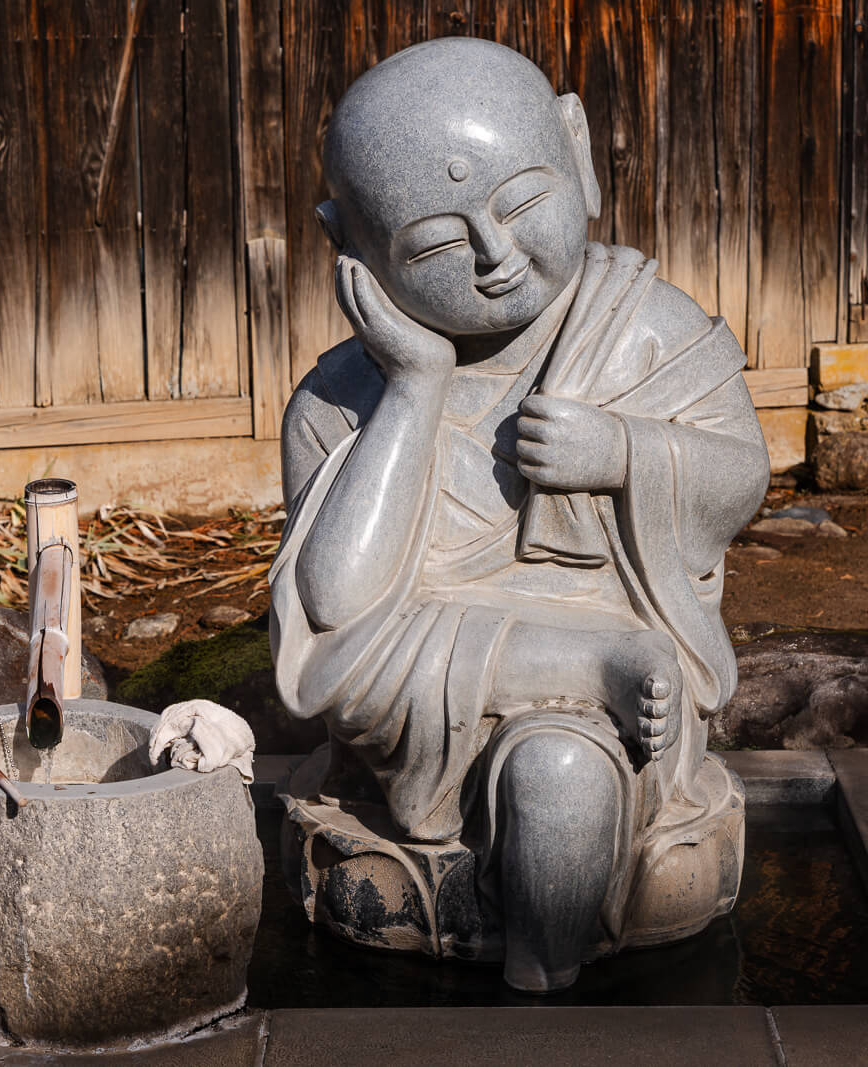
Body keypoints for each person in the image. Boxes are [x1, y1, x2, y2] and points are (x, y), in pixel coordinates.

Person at [269, 36, 769, 992]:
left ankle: (544, 1006)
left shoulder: (646, 331)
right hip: (414, 695)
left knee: (560, 781)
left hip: (609, 676)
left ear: (577, 149)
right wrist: (415, 385)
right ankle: (588, 665)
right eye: (437, 245)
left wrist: (620, 451)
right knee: (339, 661)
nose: (495, 256)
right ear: (351, 246)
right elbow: (335, 613)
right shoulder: (339, 401)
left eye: (522, 202)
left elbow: (739, 480)